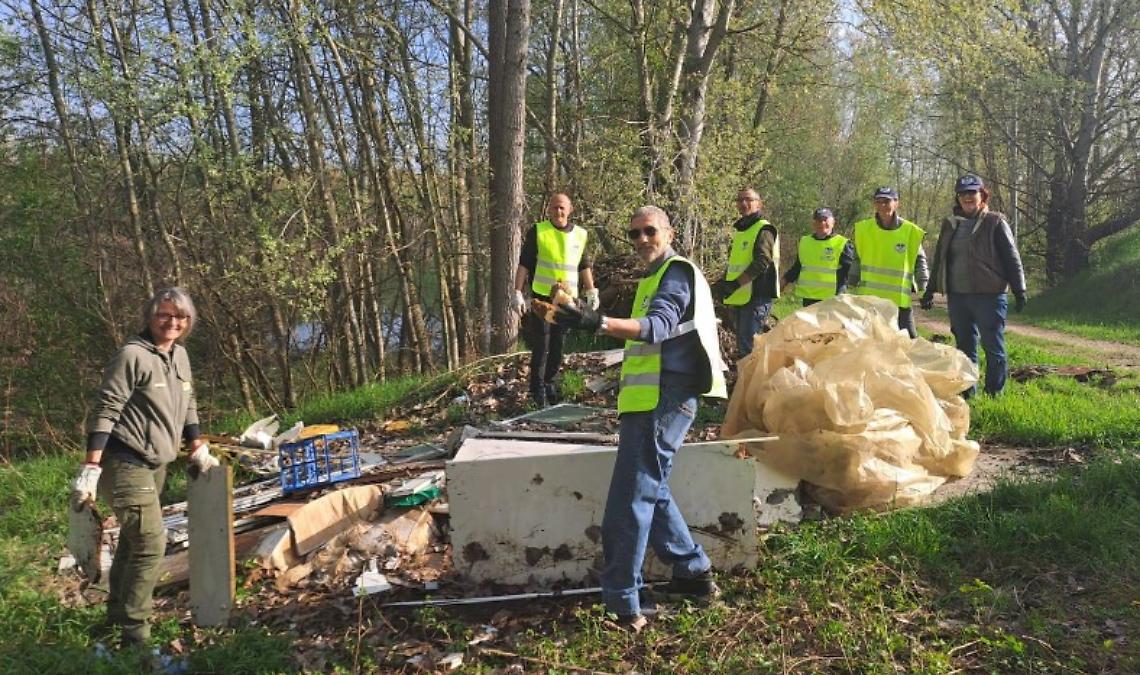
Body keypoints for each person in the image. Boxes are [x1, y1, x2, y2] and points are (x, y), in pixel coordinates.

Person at [552, 205, 727, 631]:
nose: (642, 239)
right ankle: (693, 574)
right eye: (634, 234)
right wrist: (583, 316)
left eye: (650, 231)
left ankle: (623, 604)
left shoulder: (676, 273)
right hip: (648, 400)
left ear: (668, 232)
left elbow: (658, 326)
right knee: (652, 489)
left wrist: (597, 322)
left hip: (664, 400)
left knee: (628, 500)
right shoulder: (653, 277)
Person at [69, 287, 220, 646]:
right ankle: (136, 641)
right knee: (151, 542)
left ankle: (116, 621)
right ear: (149, 317)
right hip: (124, 460)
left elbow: (188, 403)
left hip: (158, 463)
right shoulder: (131, 356)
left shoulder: (179, 356)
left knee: (134, 543)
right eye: (164, 315)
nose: (172, 322)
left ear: (189, 321)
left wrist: (196, 445)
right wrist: (92, 466)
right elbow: (106, 409)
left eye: (180, 316)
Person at [921, 174, 1027, 396]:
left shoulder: (996, 222)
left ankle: (994, 394)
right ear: (958, 198)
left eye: (972, 192)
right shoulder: (950, 224)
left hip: (989, 296)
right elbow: (940, 258)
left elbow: (1011, 257)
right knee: (965, 347)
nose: (968, 197)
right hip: (958, 296)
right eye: (963, 194)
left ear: (982, 195)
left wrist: (1019, 289)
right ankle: (968, 393)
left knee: (992, 347)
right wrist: (930, 290)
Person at [512, 192, 598, 406]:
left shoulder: (580, 234)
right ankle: (537, 390)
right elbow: (524, 263)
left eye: (562, 208)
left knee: (558, 346)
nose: (558, 212)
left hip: (567, 300)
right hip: (542, 297)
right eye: (554, 208)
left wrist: (591, 290)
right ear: (549, 209)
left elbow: (583, 264)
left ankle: (550, 382)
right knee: (542, 344)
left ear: (570, 210)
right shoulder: (539, 232)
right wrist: (517, 292)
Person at [851, 186, 928, 337]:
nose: (882, 206)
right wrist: (851, 282)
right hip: (869, 300)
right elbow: (857, 258)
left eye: (886, 201)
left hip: (899, 302)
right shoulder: (864, 229)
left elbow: (920, 261)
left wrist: (924, 288)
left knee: (909, 342)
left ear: (896, 203)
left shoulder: (910, 231)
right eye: (878, 202)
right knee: (869, 341)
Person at [711, 187, 779, 357]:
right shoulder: (742, 232)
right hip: (741, 297)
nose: (743, 203)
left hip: (756, 297)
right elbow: (737, 264)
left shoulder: (764, 229)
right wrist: (720, 285)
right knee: (744, 347)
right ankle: (746, 382)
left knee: (749, 350)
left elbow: (762, 262)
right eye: (740, 200)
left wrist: (734, 285)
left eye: (748, 199)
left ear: (759, 204)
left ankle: (753, 383)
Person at [782, 207, 855, 306]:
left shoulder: (842, 244)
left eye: (825, 220)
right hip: (808, 299)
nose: (822, 223)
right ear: (813, 223)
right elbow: (797, 267)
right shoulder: (805, 241)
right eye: (818, 220)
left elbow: (852, 271)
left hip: (832, 299)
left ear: (833, 222)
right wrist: (783, 282)